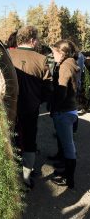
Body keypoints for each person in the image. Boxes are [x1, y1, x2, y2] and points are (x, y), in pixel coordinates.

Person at [9, 26, 51, 188]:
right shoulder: (41, 59)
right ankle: (26, 178)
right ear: (33, 40)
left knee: (9, 139)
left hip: (9, 108)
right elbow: (48, 87)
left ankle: (9, 176)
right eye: (37, 40)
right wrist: (38, 100)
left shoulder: (7, 55)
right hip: (31, 109)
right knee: (29, 141)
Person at [50, 40, 79, 189]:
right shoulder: (71, 62)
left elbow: (61, 92)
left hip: (64, 111)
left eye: (54, 52)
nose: (52, 55)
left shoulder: (65, 66)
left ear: (62, 53)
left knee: (68, 146)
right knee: (67, 144)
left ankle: (69, 179)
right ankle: (66, 172)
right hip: (70, 109)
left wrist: (54, 106)